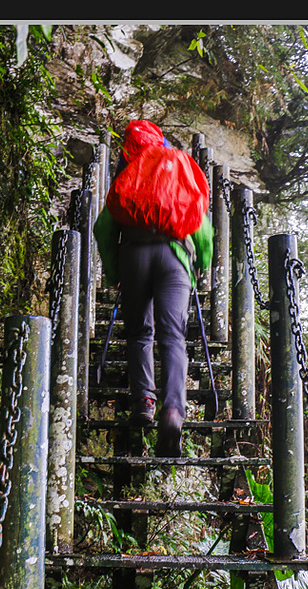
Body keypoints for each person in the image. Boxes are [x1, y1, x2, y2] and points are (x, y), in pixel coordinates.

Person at [93, 120, 214, 457]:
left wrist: (113, 272)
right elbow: (202, 226)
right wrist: (201, 263)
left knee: (139, 333)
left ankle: (143, 401)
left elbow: (103, 229)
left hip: (134, 256)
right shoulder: (175, 168)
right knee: (173, 337)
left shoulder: (127, 174)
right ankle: (173, 409)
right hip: (174, 257)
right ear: (161, 144)